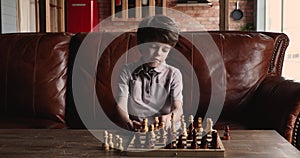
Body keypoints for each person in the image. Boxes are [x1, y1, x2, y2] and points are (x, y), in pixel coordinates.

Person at [114, 15, 183, 131]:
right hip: (138, 129)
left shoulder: (174, 74)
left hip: (165, 131)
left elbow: (178, 108)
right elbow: (121, 104)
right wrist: (127, 121)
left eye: (165, 50)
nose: (158, 54)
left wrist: (170, 118)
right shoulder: (127, 71)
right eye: (153, 47)